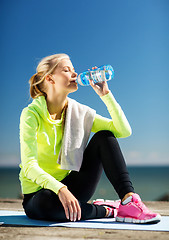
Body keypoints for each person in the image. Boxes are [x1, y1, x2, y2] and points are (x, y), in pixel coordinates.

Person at [19, 53, 161, 224]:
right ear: (50, 78)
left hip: (73, 186)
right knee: (45, 204)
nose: (74, 74)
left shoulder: (79, 112)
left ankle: (128, 201)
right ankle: (108, 210)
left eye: (73, 70)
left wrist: (105, 95)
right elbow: (29, 166)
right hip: (40, 194)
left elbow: (123, 131)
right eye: (66, 70)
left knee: (104, 137)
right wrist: (60, 189)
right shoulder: (31, 114)